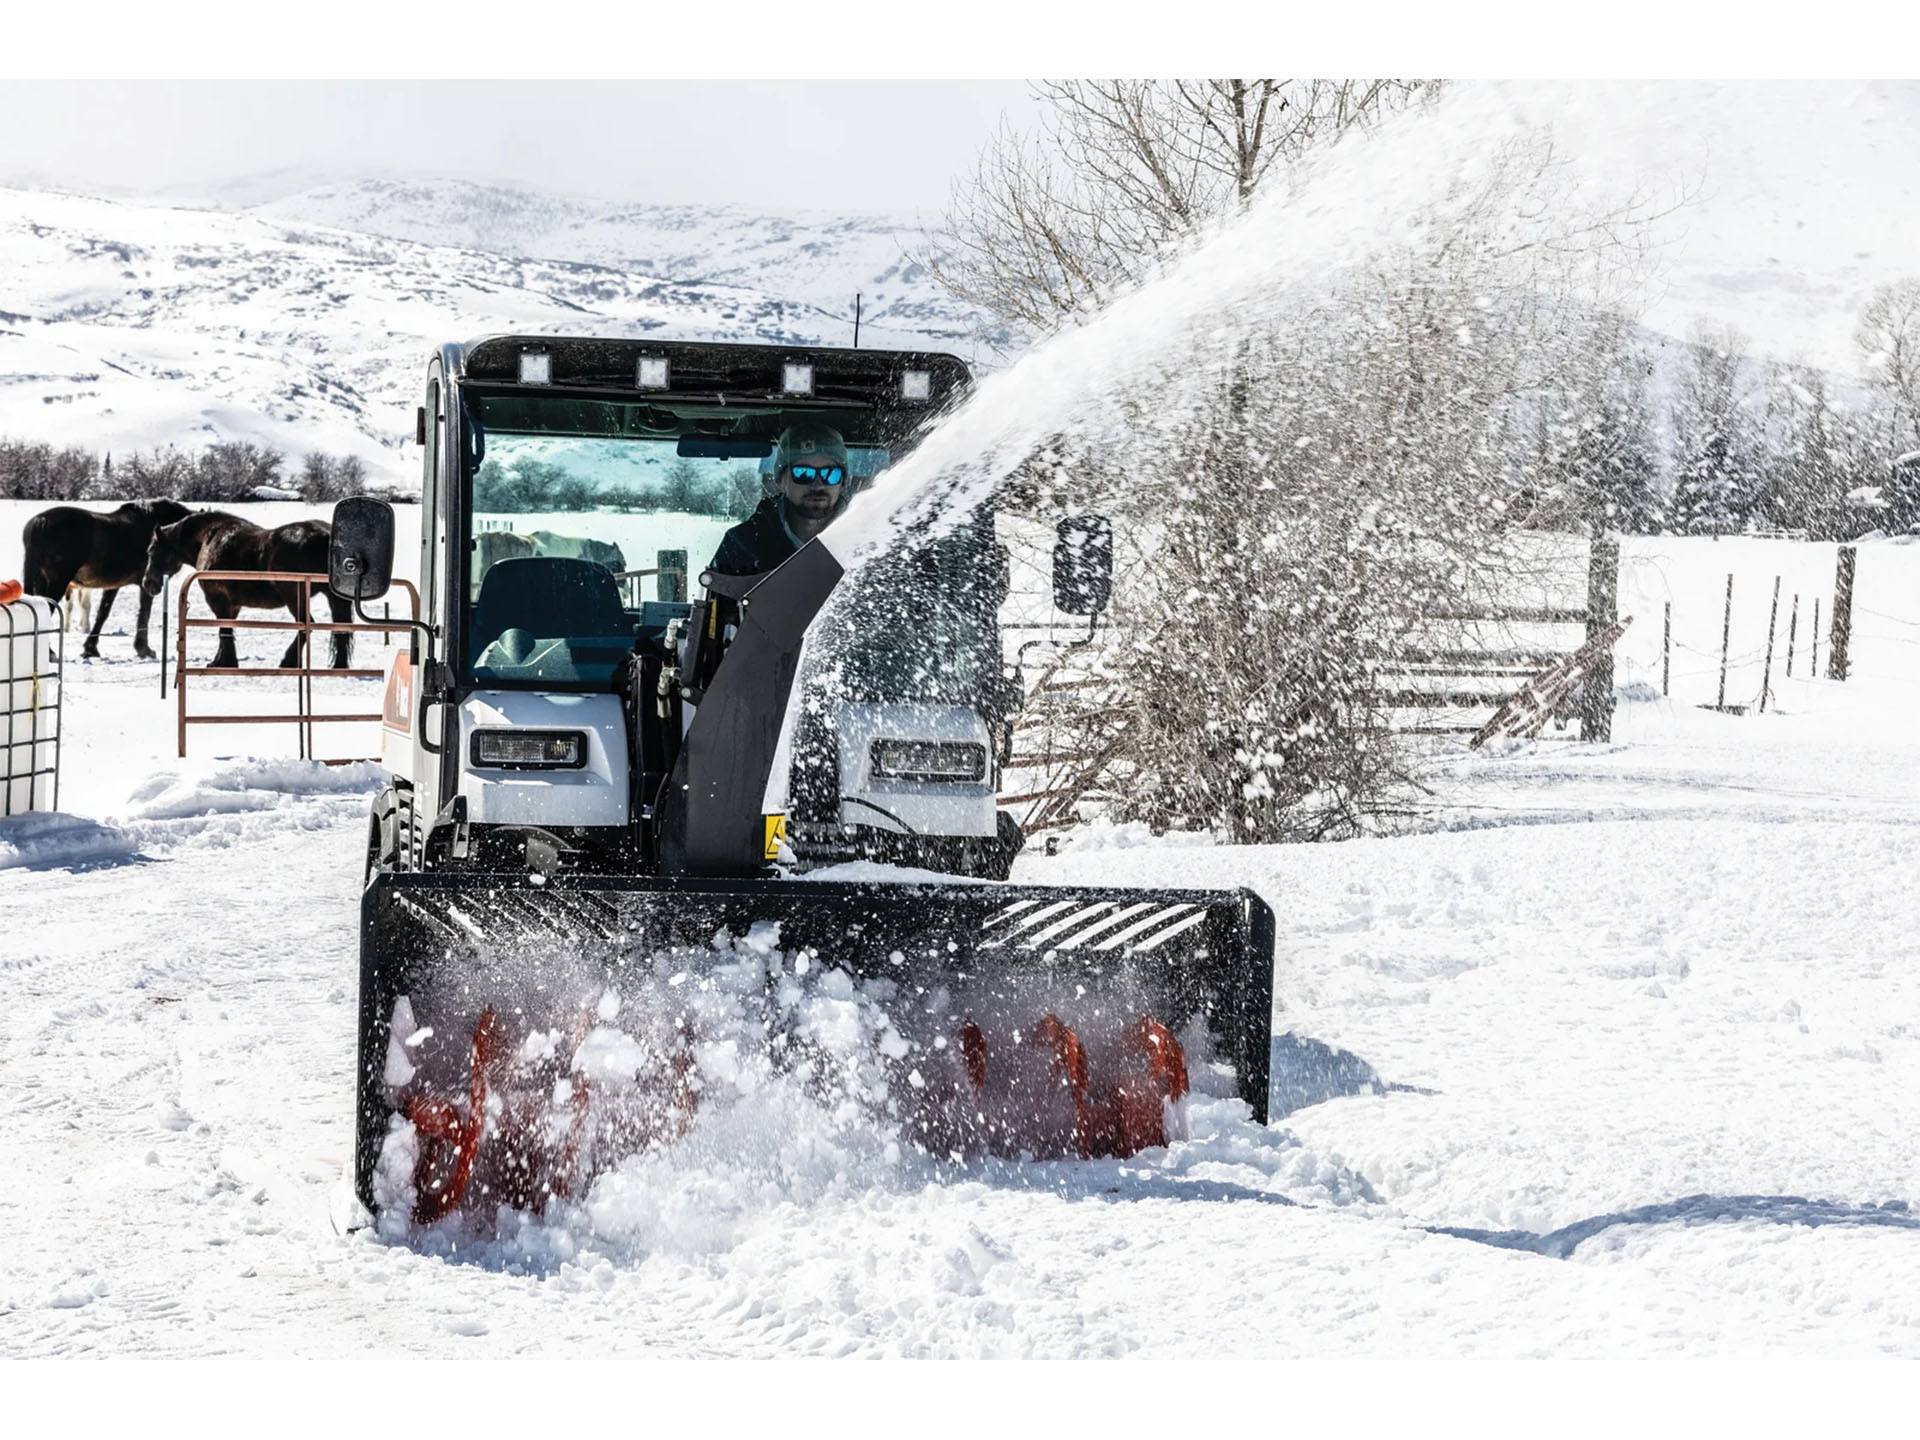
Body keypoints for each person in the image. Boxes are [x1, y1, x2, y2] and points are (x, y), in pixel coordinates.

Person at [708, 421, 851, 577]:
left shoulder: (867, 541)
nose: (817, 484)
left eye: (830, 474)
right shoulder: (743, 544)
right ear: (781, 480)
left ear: (842, 481)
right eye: (803, 473)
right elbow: (719, 597)